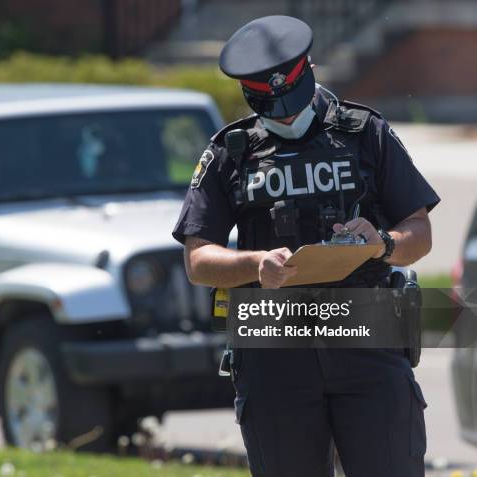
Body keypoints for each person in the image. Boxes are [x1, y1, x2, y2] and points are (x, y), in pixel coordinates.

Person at [172, 15, 440, 477]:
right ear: (250, 95)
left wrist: (383, 245)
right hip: (274, 347)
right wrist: (255, 265)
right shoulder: (229, 154)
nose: (288, 115)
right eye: (273, 107)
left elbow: (420, 231)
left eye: (292, 102)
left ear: (310, 71)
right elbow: (198, 259)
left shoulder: (365, 132)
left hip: (366, 337)